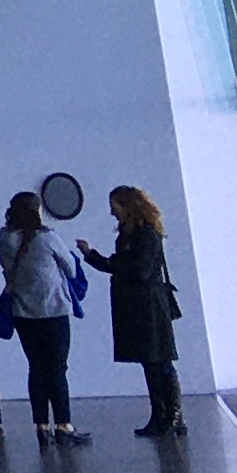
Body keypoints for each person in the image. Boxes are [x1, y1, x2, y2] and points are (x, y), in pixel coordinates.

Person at [81, 185, 187, 438]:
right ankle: (163, 415)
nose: (112, 212)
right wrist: (96, 257)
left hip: (148, 306)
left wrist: (103, 259)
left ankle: (171, 416)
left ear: (127, 206)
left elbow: (140, 270)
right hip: (140, 305)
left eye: (115, 206)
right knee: (152, 361)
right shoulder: (134, 235)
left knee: (159, 361)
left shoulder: (145, 235)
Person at [0, 190, 85, 444]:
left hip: (23, 312)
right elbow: (70, 268)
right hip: (53, 310)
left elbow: (8, 272)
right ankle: (64, 426)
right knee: (57, 368)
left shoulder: (4, 240)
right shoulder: (47, 238)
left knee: (36, 368)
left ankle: (41, 426)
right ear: (37, 211)